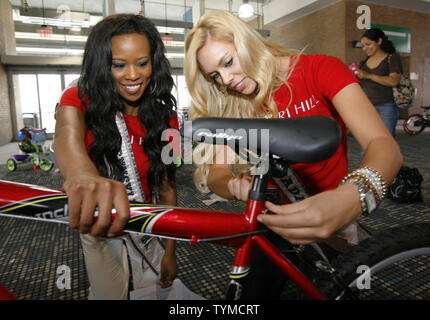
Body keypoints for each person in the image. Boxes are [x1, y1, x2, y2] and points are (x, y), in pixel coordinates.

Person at [184, 10, 402, 299]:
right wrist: (235, 187)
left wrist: (352, 196)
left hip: (330, 213)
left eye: (228, 62)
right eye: (215, 75)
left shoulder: (319, 69)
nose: (225, 79)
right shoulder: (235, 101)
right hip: (272, 217)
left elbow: (383, 145)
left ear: (248, 42)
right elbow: (217, 175)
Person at [54, 14, 178, 299]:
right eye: (119, 65)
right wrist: (82, 175)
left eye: (142, 63)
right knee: (108, 294)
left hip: (146, 224)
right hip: (98, 223)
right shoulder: (78, 98)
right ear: (102, 66)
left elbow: (168, 188)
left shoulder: (168, 119)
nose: (133, 75)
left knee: (156, 292)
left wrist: (171, 251)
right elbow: (66, 137)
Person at [357, 28, 403, 137]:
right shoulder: (364, 62)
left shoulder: (392, 58)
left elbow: (394, 81)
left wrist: (368, 75)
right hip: (366, 106)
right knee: (367, 140)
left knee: (386, 140)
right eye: (363, 45)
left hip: (386, 106)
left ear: (379, 41)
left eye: (368, 44)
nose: (365, 48)